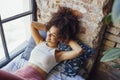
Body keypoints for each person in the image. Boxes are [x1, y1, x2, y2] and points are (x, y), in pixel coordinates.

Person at [0, 7, 83, 80]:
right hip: (18, 74)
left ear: (60, 38)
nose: (49, 35)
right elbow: (33, 24)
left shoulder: (58, 54)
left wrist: (65, 38)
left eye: (53, 35)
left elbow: (78, 50)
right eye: (48, 32)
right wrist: (49, 27)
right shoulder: (40, 42)